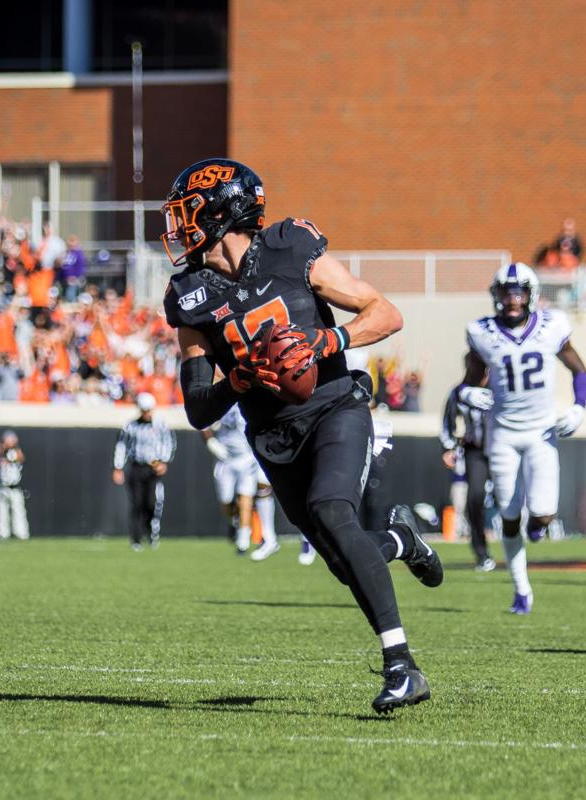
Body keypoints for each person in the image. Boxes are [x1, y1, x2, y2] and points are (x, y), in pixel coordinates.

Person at [163, 158, 441, 714]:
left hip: (336, 406)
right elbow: (197, 407)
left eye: (188, 212)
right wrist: (238, 379)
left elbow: (384, 313)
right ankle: (401, 541)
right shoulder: (190, 293)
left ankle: (402, 667)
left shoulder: (290, 248)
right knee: (342, 560)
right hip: (271, 433)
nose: (178, 227)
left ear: (222, 211)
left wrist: (322, 343)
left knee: (333, 512)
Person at [462, 262, 586, 615]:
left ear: (531, 295)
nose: (512, 300)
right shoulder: (482, 332)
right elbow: (468, 381)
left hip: (541, 432)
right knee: (509, 514)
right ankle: (521, 589)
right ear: (496, 296)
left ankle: (537, 528)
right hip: (501, 435)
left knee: (544, 514)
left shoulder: (552, 326)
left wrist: (579, 408)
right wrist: (467, 394)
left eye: (518, 292)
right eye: (506, 292)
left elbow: (579, 370)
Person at [440, 356, 493, 571]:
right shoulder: (459, 392)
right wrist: (448, 448)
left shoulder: (499, 389)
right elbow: (447, 423)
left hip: (502, 450)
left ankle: (516, 548)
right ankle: (482, 553)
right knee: (475, 497)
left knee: (510, 499)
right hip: (475, 452)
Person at [203, 403, 270, 557]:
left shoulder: (250, 401)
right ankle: (235, 521)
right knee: (226, 503)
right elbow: (202, 423)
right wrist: (211, 443)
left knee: (245, 499)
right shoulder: (222, 400)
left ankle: (243, 541)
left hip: (246, 458)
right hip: (225, 458)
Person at [112, 392, 176, 551]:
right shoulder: (130, 426)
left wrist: (164, 461)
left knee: (151, 502)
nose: (147, 413)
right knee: (136, 503)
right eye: (144, 410)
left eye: (149, 410)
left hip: (153, 468)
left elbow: (169, 443)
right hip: (137, 466)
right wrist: (118, 467)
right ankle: (136, 539)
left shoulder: (160, 425)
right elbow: (122, 446)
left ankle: (151, 532)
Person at [0, 430, 30, 540]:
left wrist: (12, 450)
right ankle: (2, 535)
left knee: (18, 512)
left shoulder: (16, 451)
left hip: (14, 488)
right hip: (0, 487)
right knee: (0, 512)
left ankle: (20, 534)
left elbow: (21, 458)